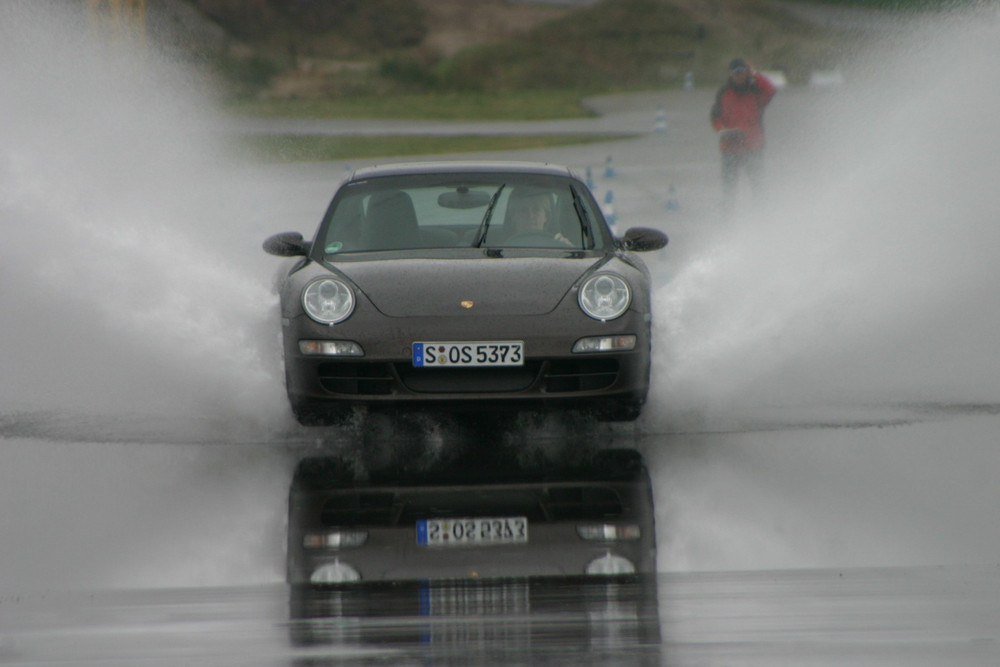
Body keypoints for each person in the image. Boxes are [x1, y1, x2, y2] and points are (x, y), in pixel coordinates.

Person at [709, 58, 777, 218]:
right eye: (735, 73)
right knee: (729, 189)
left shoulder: (756, 92)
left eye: (741, 72)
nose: (738, 76)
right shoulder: (724, 93)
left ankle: (762, 217)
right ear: (730, 75)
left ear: (747, 73)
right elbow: (715, 116)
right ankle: (726, 220)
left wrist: (756, 74)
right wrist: (723, 130)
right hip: (730, 148)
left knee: (758, 186)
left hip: (753, 147)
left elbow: (771, 91)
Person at [503, 189, 573, 247]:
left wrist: (569, 250)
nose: (530, 216)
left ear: (546, 217)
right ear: (513, 217)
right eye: (523, 210)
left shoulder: (560, 248)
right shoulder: (499, 251)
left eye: (536, 210)